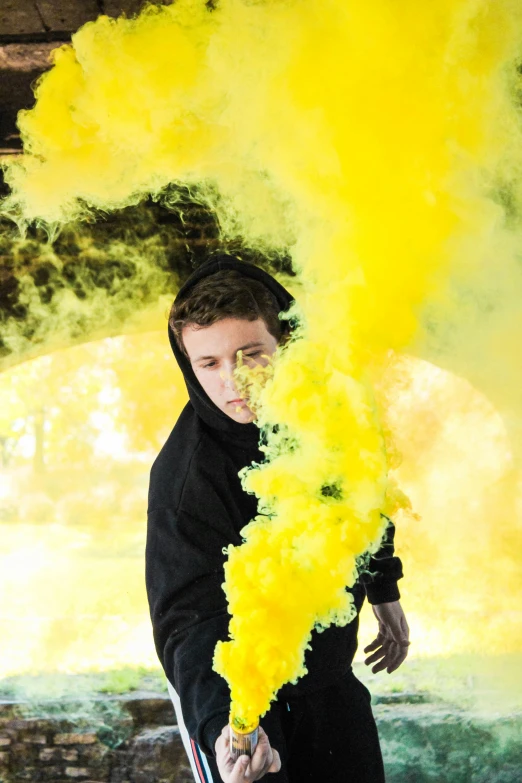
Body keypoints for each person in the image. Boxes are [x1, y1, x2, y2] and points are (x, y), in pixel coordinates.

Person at [145, 253, 410, 783]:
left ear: (283, 344)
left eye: (251, 354)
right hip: (237, 704)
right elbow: (188, 622)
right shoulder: (186, 479)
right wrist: (224, 725)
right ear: (189, 366)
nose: (233, 381)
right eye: (209, 363)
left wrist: (383, 588)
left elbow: (361, 496)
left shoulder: (331, 412)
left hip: (330, 677)